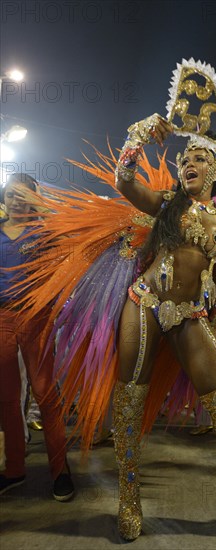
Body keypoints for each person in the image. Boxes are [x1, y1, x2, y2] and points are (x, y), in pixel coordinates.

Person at [11, 60, 216, 546]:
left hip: (189, 317)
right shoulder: (167, 203)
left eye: (199, 159)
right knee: (129, 404)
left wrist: (215, 331)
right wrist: (138, 135)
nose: (188, 164)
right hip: (144, 304)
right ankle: (129, 497)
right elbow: (124, 182)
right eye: (185, 159)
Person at [0, 173, 74, 500]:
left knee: (46, 394)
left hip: (36, 316)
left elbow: (68, 233)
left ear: (34, 200)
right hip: (2, 319)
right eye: (10, 194)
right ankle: (14, 469)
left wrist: (42, 206)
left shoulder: (44, 232)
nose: (16, 201)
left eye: (23, 196)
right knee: (7, 399)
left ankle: (61, 471)